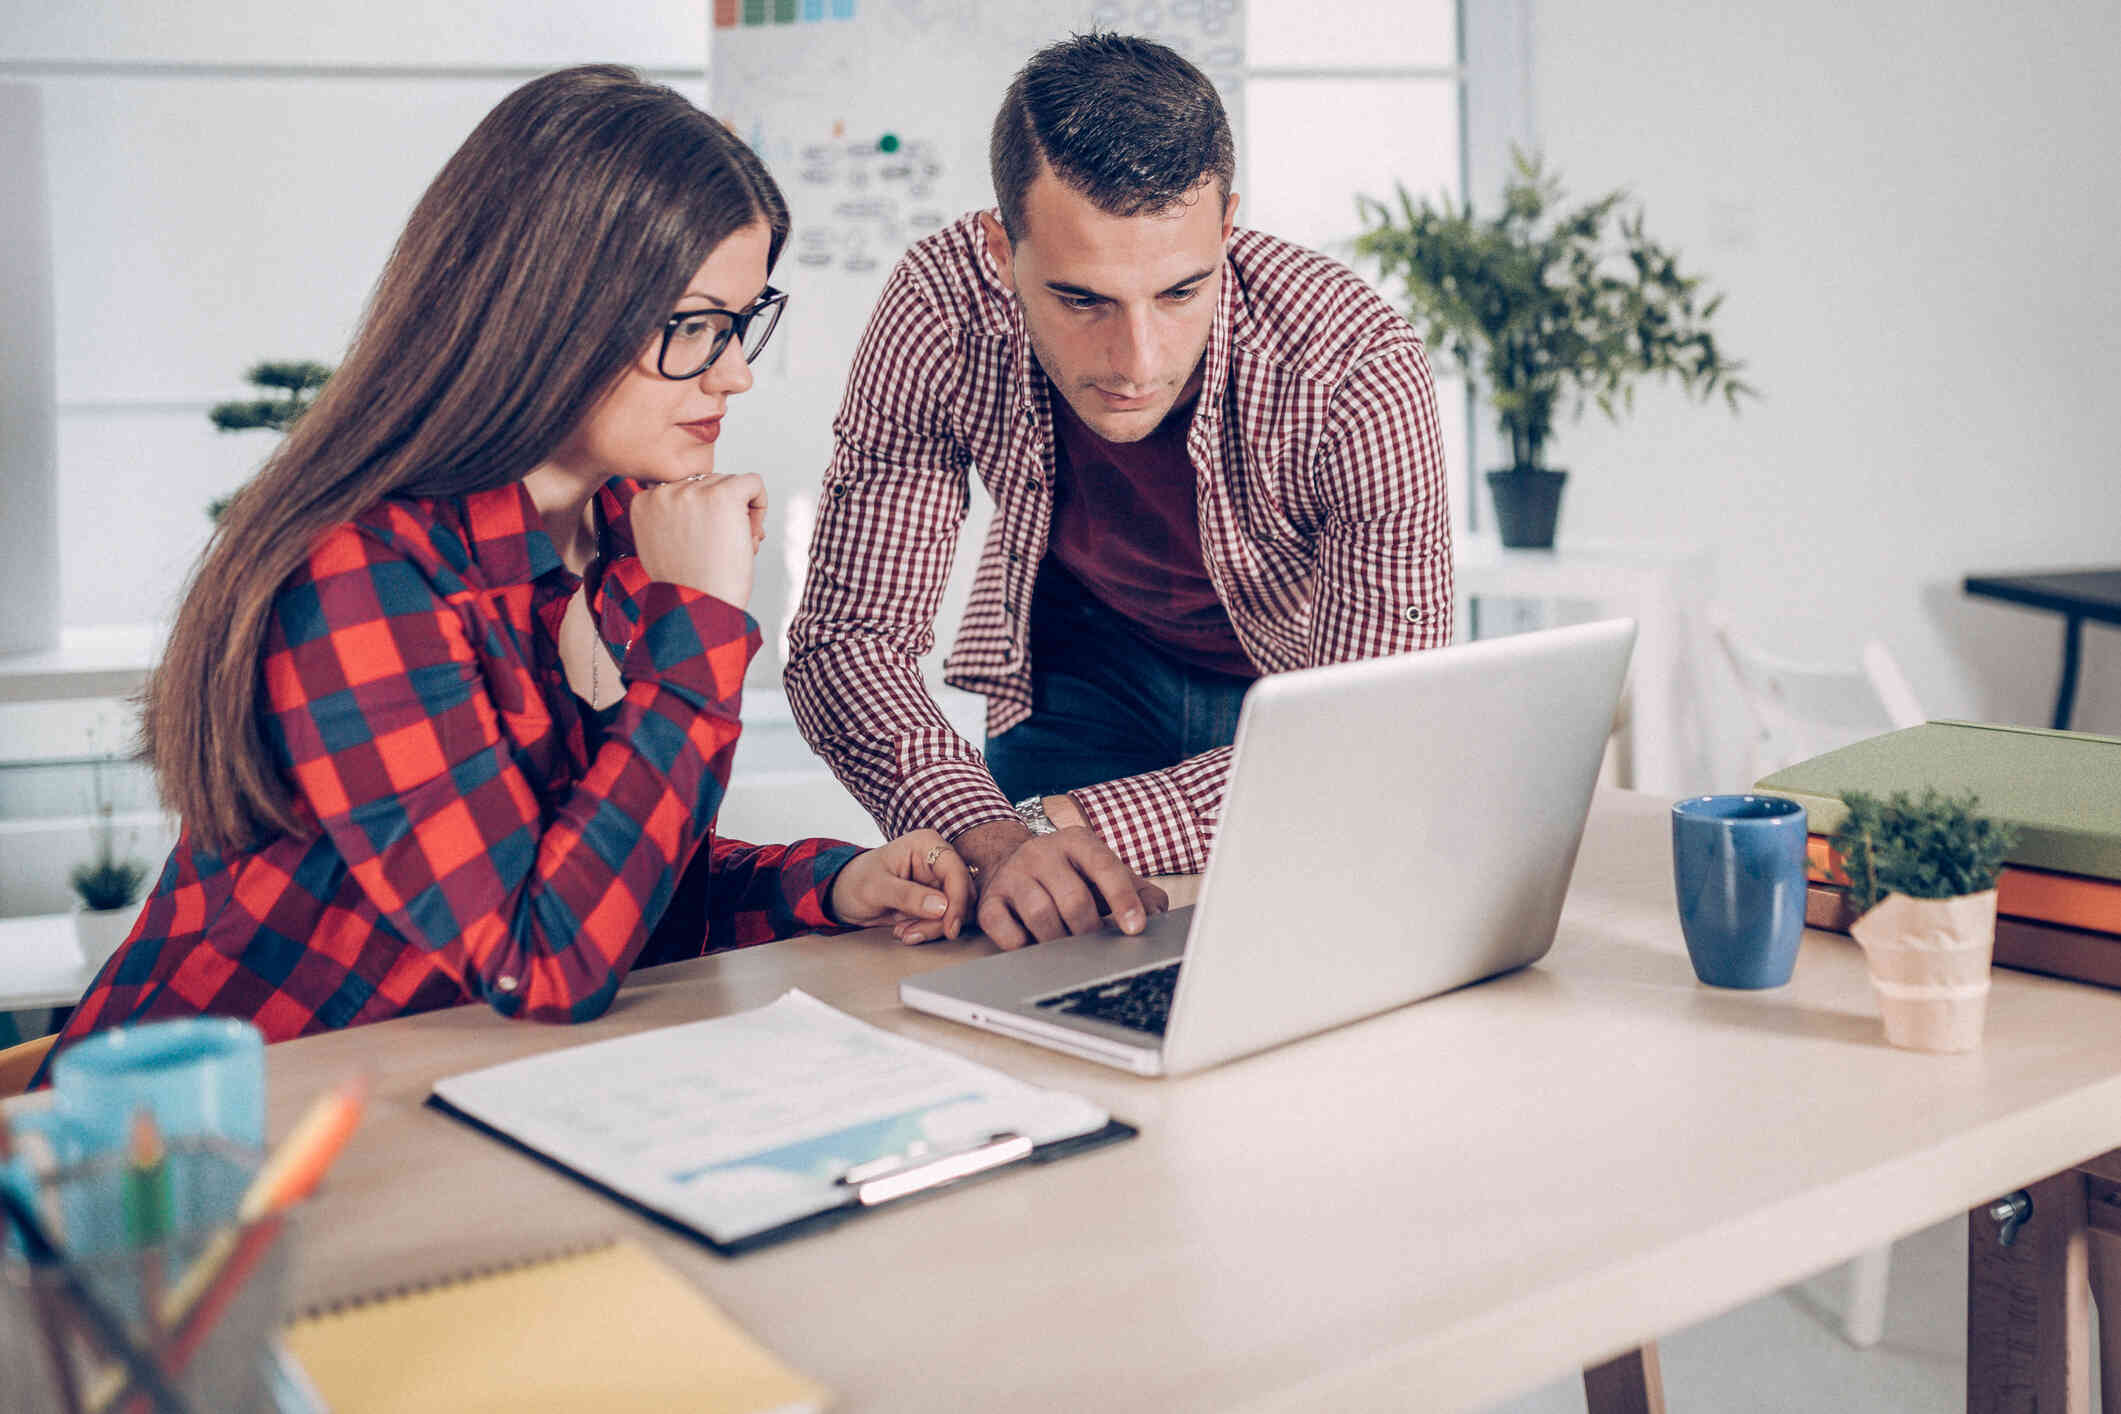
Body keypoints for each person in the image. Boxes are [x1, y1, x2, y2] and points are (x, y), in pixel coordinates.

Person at [40, 65, 972, 1073]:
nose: (735, 372)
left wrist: (832, 886)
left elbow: (606, 883)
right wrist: (698, 625)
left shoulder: (622, 530)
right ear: (558, 312)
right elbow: (547, 957)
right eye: (695, 327)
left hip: (388, 1108)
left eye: (741, 322)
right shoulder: (364, 570)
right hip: (164, 1158)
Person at [785, 34, 1453, 951]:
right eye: (1081, 299)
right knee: (1019, 973)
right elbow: (849, 637)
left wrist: (1050, 830)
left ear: (1228, 229)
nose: (1137, 364)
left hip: (1285, 691)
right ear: (999, 248)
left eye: (1180, 292)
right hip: (1075, 670)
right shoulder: (941, 307)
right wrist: (990, 835)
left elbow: (1372, 726)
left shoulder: (1351, 364)